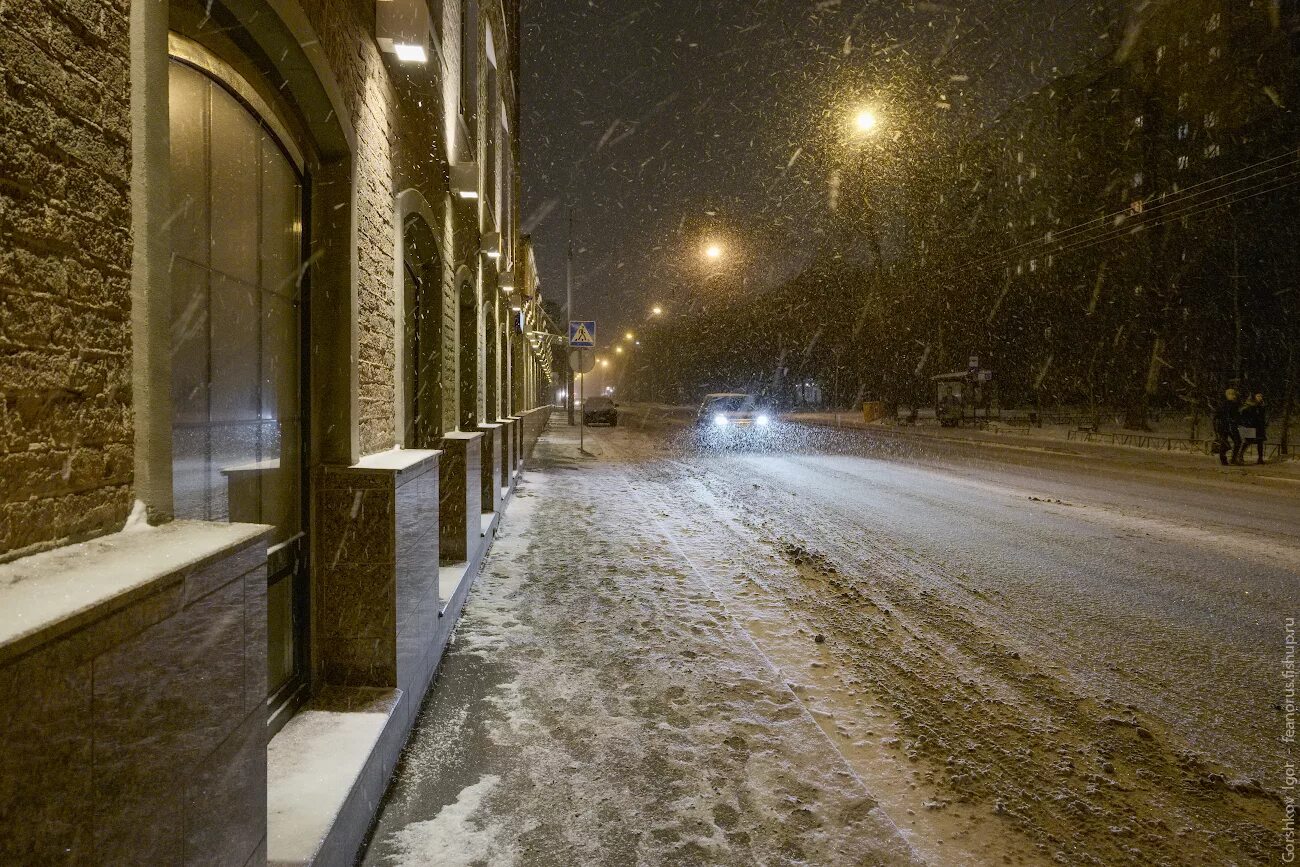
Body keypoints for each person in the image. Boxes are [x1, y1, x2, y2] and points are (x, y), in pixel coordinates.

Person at [1215, 388, 1243, 466]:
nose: (1232, 396)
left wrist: (1237, 421)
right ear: (1226, 395)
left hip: (1232, 426)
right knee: (1224, 443)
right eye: (1230, 394)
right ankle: (1223, 459)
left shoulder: (1235, 404)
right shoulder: (1223, 404)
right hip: (1224, 426)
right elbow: (1218, 415)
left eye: (1233, 394)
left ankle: (1233, 459)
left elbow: (1237, 416)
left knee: (1238, 442)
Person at [1240, 392, 1267, 465]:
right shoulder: (1249, 405)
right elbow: (1242, 414)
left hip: (1259, 427)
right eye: (1258, 396)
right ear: (1254, 397)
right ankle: (1240, 456)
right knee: (1247, 442)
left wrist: (1263, 423)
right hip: (1250, 426)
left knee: (1260, 442)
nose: (1260, 398)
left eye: (1261, 396)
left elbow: (1262, 416)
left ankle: (1260, 458)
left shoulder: (1261, 406)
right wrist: (1247, 422)